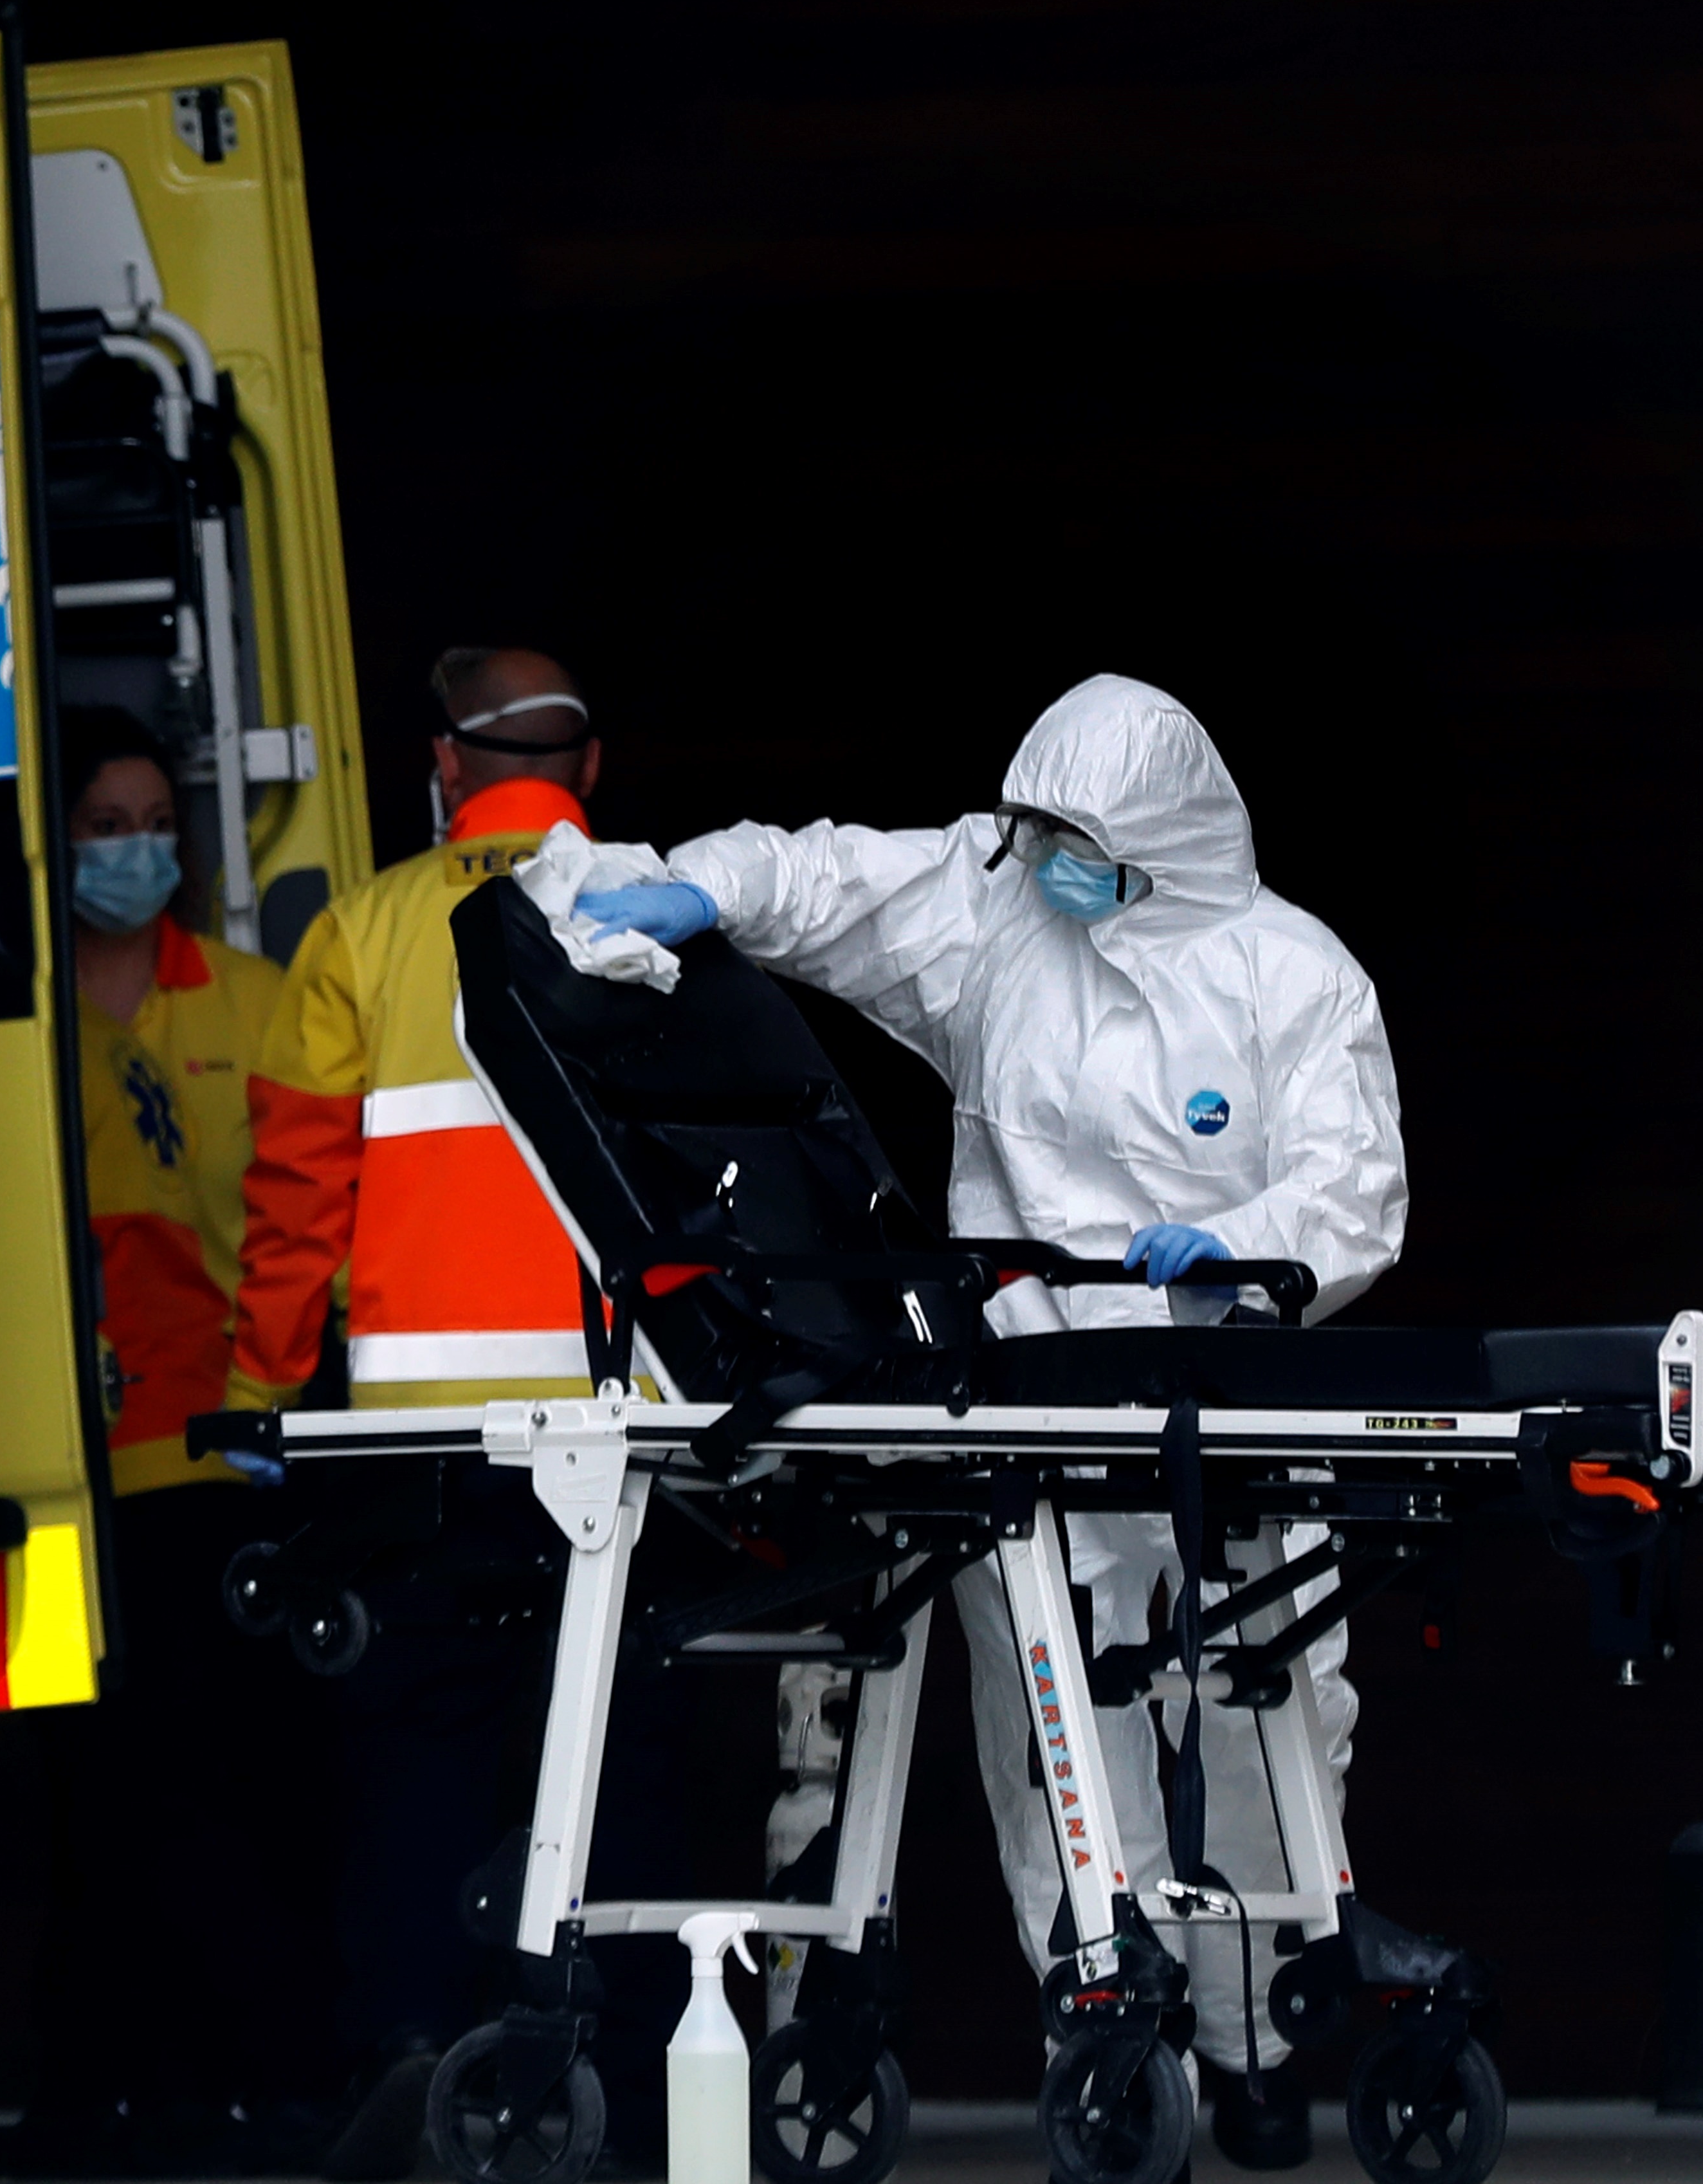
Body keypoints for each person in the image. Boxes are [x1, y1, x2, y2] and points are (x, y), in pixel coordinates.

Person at [573, 674, 1403, 2171]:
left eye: (1082, 837)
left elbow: (1358, 1191)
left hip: (1230, 1413)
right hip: (1031, 1407)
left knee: (1264, 1729)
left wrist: (1247, 1249)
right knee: (1061, 1751)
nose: (1048, 859)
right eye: (1037, 829)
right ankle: (1114, 2020)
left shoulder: (1296, 979)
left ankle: (1255, 2039)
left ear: (1162, 837)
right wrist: (698, 884)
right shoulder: (1005, 914)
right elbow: (834, 883)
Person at [235, 650, 695, 2180]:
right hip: (628, 1435)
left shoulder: (362, 930)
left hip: (422, 1447)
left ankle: (415, 2051)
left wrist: (260, 1384)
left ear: (443, 763)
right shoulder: (673, 911)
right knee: (619, 1753)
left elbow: (300, 1195)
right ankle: (625, 2065)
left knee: (419, 1754)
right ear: (593, 764)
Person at [0, 708, 301, 2178]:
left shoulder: (252, 1002)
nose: (136, 847)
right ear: (61, 847)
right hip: (63, 1476)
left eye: (151, 818)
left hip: (219, 1464)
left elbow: (310, 1226)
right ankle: (85, 2098)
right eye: (104, 825)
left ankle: (238, 2090)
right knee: (88, 1804)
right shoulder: (10, 1017)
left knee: (227, 1789)